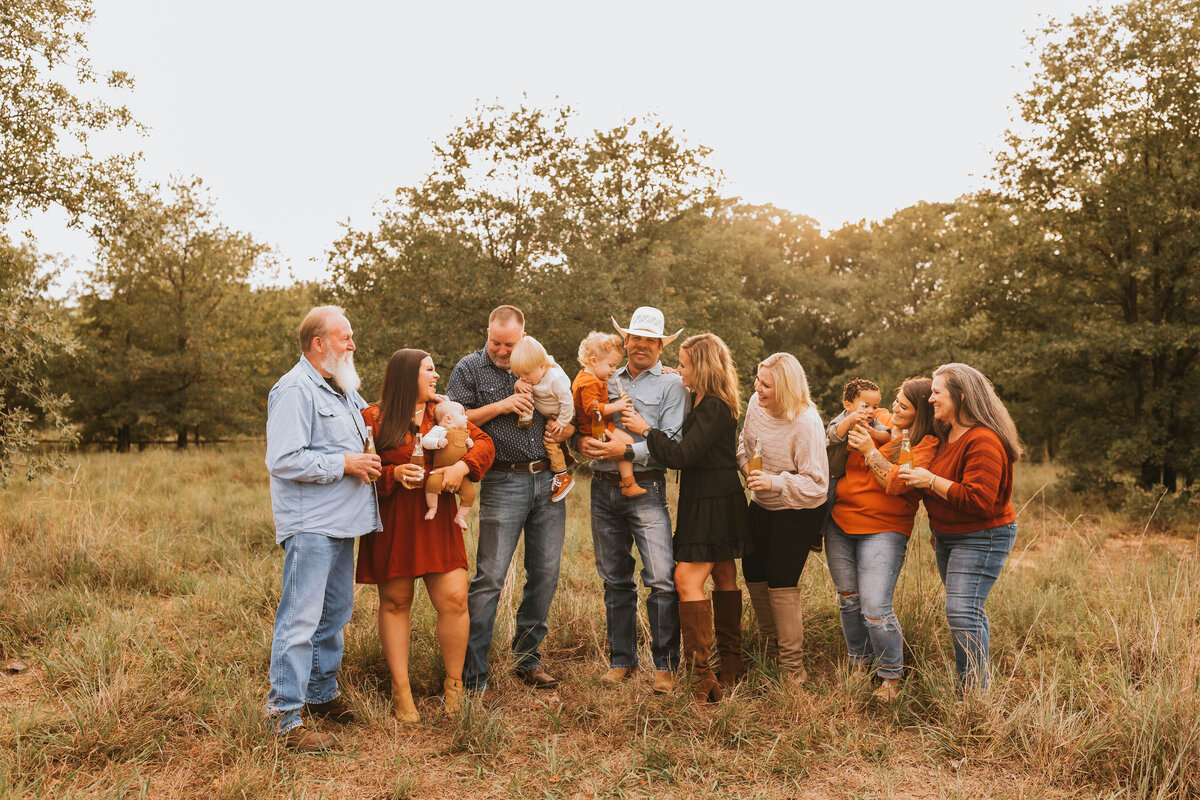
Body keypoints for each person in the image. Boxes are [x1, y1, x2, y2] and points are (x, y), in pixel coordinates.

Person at [264, 305, 381, 752]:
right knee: (300, 618)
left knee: (334, 615)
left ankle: (320, 693)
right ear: (319, 344)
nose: (353, 345)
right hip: (311, 524)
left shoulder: (342, 389)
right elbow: (283, 459)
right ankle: (283, 716)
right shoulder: (295, 389)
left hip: (343, 521)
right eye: (345, 337)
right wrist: (345, 463)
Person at [357, 349, 495, 721]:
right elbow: (362, 467)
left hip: (438, 521)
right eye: (429, 370)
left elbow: (484, 444)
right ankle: (401, 689)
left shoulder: (445, 411)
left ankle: (454, 687)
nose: (436, 377)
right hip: (395, 521)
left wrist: (463, 467)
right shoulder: (373, 416)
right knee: (396, 601)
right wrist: (393, 474)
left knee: (454, 599)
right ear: (407, 376)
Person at [447, 305, 575, 693]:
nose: (502, 352)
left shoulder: (540, 362)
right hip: (503, 479)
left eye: (509, 344)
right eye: (496, 343)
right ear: (487, 332)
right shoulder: (469, 368)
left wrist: (563, 429)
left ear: (523, 336)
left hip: (548, 476)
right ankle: (473, 673)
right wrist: (502, 405)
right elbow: (451, 416)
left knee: (545, 573)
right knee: (490, 578)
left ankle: (527, 659)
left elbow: (573, 403)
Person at [621, 333, 749, 703]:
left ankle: (701, 675)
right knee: (724, 574)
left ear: (703, 367)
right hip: (712, 496)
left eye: (686, 363)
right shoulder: (704, 400)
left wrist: (645, 429)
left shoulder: (713, 406)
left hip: (712, 501)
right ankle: (731, 664)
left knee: (684, 578)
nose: (680, 369)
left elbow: (682, 455)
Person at [579, 307, 689, 694]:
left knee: (660, 577)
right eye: (635, 338)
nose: (641, 345)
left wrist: (627, 453)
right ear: (625, 342)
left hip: (647, 486)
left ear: (661, 346)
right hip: (602, 487)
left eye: (649, 340)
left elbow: (672, 444)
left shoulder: (673, 387)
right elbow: (583, 419)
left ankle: (665, 665)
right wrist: (583, 442)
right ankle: (622, 661)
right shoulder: (603, 376)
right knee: (615, 578)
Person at [899, 363, 1022, 691]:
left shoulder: (984, 440)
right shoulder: (945, 433)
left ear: (962, 396)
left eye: (937, 393)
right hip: (948, 536)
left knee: (961, 610)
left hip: (983, 536)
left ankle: (974, 694)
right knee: (967, 609)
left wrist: (930, 480)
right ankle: (977, 684)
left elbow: (979, 500)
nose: (931, 399)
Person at [825, 377, 936, 701]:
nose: (893, 407)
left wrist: (870, 450)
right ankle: (859, 664)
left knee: (875, 606)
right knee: (849, 598)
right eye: (896, 401)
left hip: (885, 527)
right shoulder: (879, 418)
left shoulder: (924, 443)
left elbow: (898, 483)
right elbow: (836, 438)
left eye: (903, 404)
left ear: (920, 412)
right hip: (841, 522)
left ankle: (891, 676)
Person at [736, 353, 828, 687]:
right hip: (762, 501)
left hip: (800, 508)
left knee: (780, 578)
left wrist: (774, 482)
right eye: (757, 380)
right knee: (753, 571)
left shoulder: (806, 423)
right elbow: (744, 448)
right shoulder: (754, 404)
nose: (758, 388)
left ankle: (793, 670)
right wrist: (748, 470)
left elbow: (817, 485)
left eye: (767, 385)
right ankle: (770, 649)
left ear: (786, 388)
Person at [571, 331, 645, 498]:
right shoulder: (589, 383)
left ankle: (626, 481)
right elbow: (592, 409)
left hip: (598, 425)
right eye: (611, 365)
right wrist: (617, 406)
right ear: (594, 361)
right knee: (627, 442)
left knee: (625, 443)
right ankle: (629, 483)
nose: (614, 370)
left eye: (616, 366)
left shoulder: (589, 377)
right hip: (595, 428)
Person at [509, 335, 576, 502]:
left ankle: (562, 476)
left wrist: (562, 422)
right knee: (555, 442)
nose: (524, 378)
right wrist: (518, 384)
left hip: (562, 414)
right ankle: (566, 458)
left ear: (541, 366)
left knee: (550, 440)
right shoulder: (533, 373)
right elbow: (522, 380)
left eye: (526, 374)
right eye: (520, 375)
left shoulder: (555, 379)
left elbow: (567, 401)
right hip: (550, 414)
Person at [421, 399, 478, 530]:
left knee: (470, 493)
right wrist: (437, 442)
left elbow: (470, 452)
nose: (466, 417)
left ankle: (461, 516)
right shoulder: (439, 430)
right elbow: (425, 441)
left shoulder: (465, 433)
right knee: (431, 483)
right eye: (462, 414)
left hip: (461, 474)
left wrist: (470, 444)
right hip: (440, 470)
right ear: (448, 418)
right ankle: (432, 508)